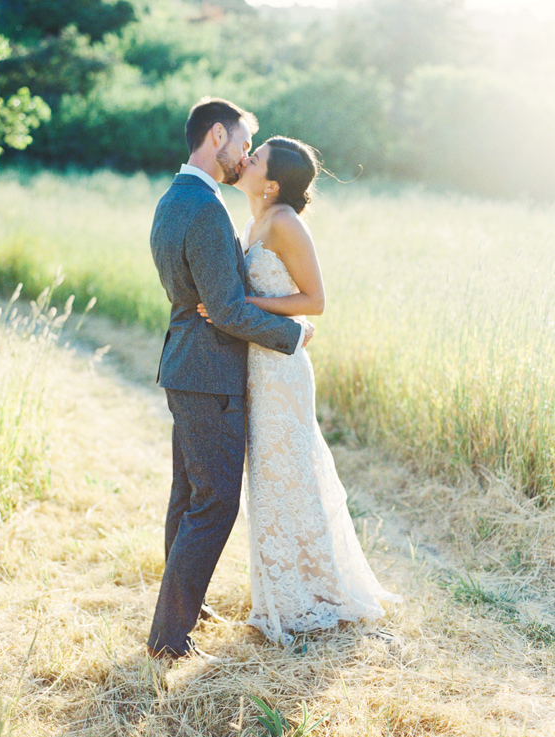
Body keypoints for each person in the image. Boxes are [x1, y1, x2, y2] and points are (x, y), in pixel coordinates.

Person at [198, 137, 401, 645]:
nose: (246, 157)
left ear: (271, 183)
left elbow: (315, 301)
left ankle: (313, 594)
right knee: (269, 477)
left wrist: (242, 300)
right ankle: (285, 591)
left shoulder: (285, 221)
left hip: (283, 371)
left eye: (257, 156)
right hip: (256, 366)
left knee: (291, 474)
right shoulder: (253, 220)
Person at [146, 100, 314, 661]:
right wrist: (296, 337)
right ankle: (170, 638)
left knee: (189, 495)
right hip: (210, 371)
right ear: (217, 134)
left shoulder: (174, 199)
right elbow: (229, 311)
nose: (245, 154)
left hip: (185, 365)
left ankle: (181, 615)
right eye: (243, 142)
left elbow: (206, 299)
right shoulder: (208, 210)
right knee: (214, 502)